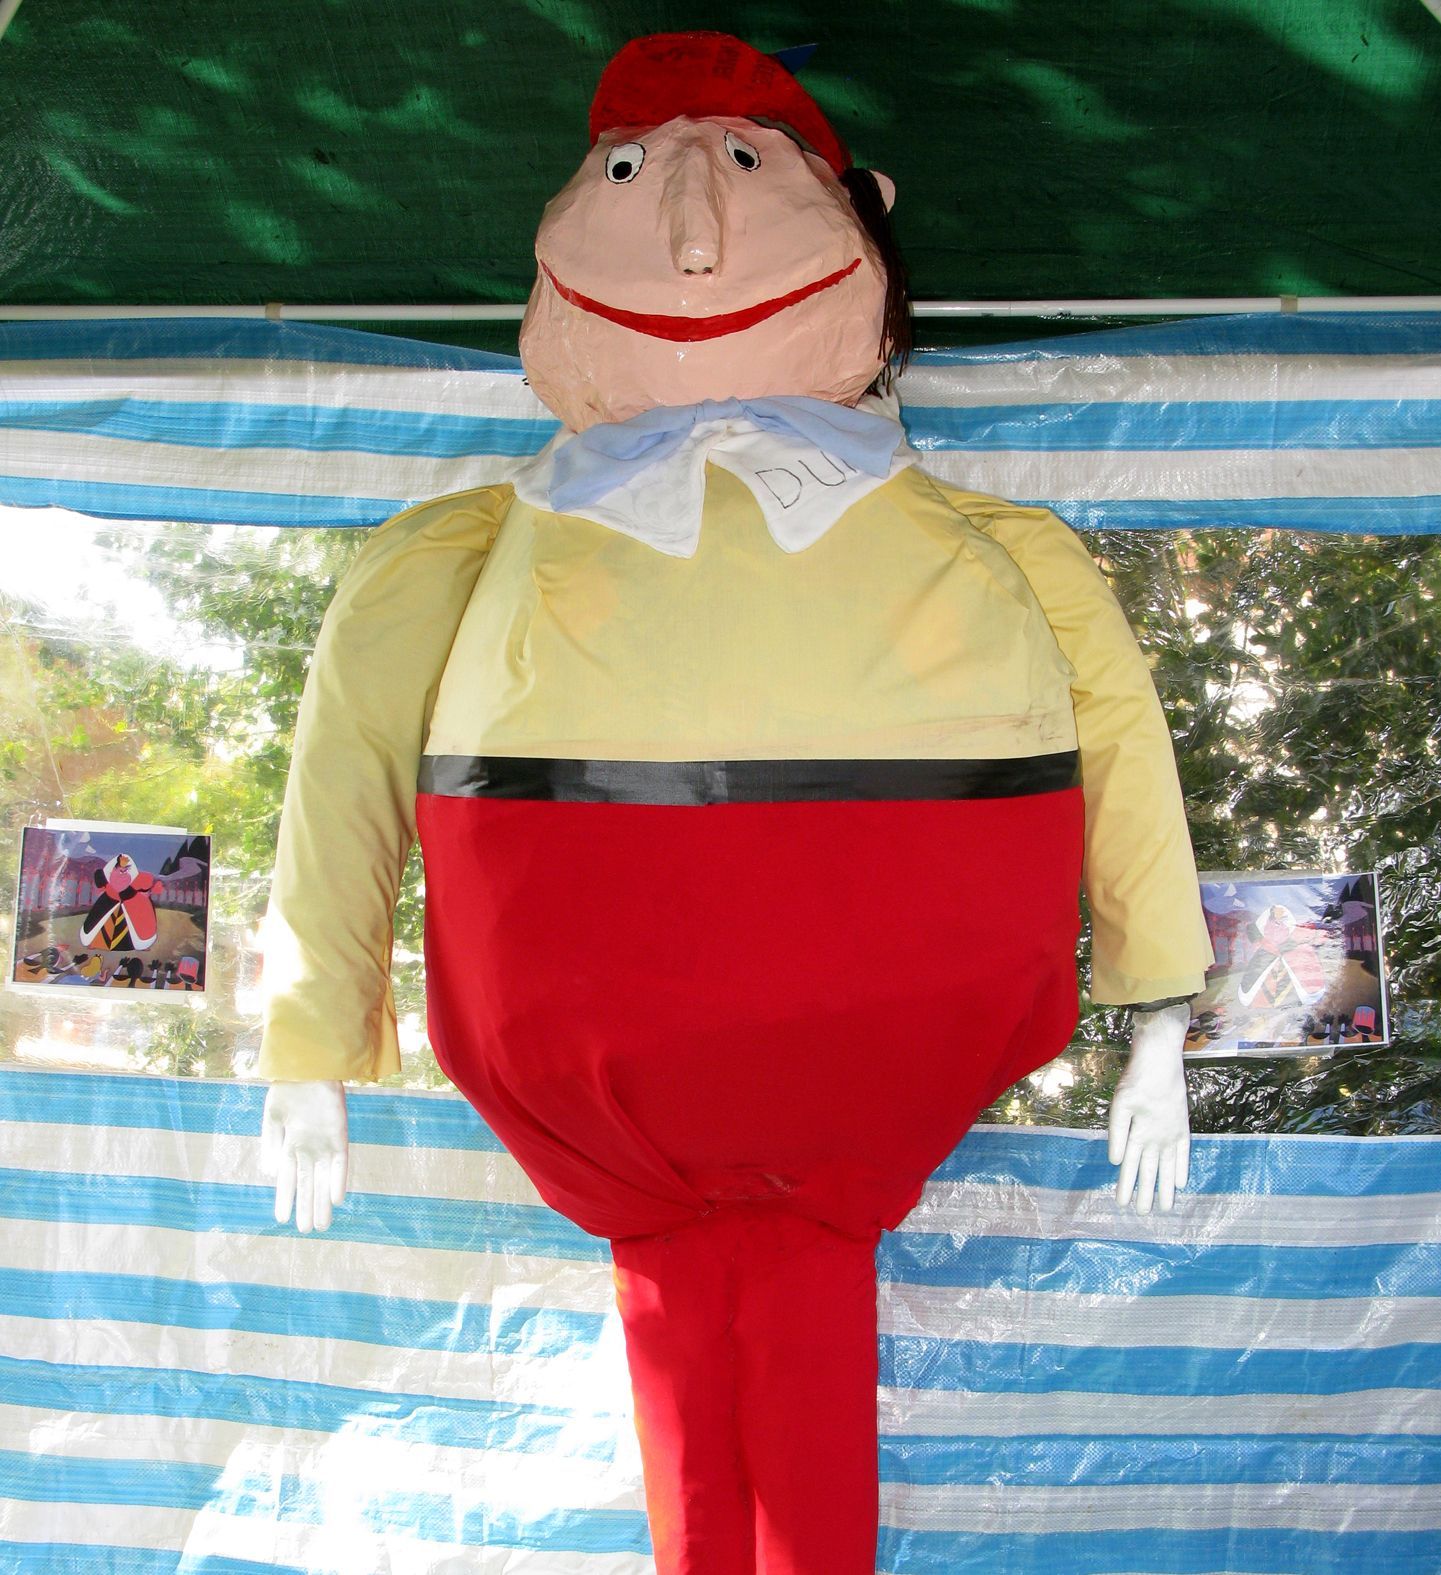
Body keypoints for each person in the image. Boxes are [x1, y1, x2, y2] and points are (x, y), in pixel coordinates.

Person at [258, 32, 1211, 1573]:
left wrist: (1160, 1008)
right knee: (702, 1356)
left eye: (745, 179)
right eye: (638, 180)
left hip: (817, 1062)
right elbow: (347, 761)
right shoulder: (460, 551)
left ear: (858, 234)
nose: (696, 236)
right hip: (634, 1057)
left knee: (748, 1345)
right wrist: (313, 1034)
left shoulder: (999, 547)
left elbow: (1121, 741)